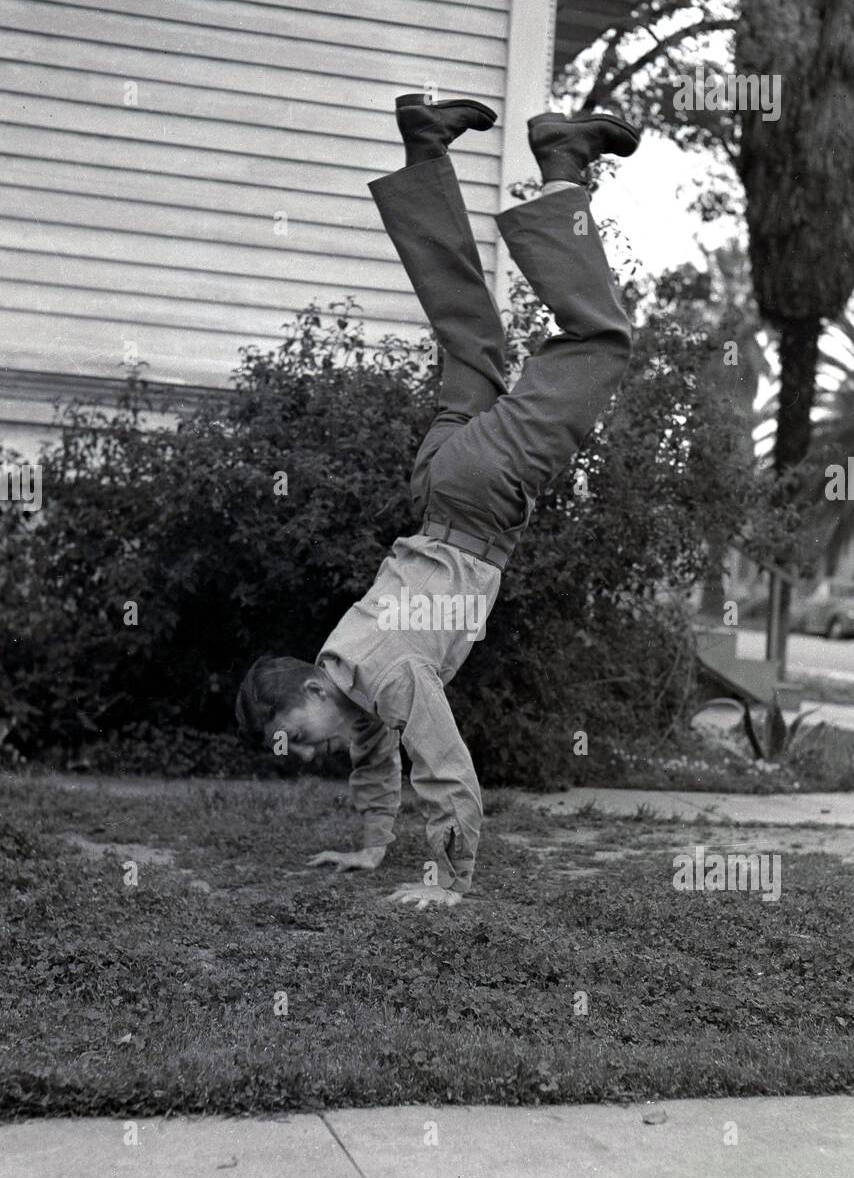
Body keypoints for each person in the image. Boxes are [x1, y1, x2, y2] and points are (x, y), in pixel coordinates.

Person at [236, 94, 639, 909]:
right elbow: (375, 759)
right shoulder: (348, 666)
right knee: (468, 332)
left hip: (481, 496)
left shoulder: (382, 673)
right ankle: (426, 150)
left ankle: (562, 163)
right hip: (438, 480)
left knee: (598, 343)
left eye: (295, 742)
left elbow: (441, 760)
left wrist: (450, 880)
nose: (305, 756)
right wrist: (370, 847)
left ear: (312, 694)